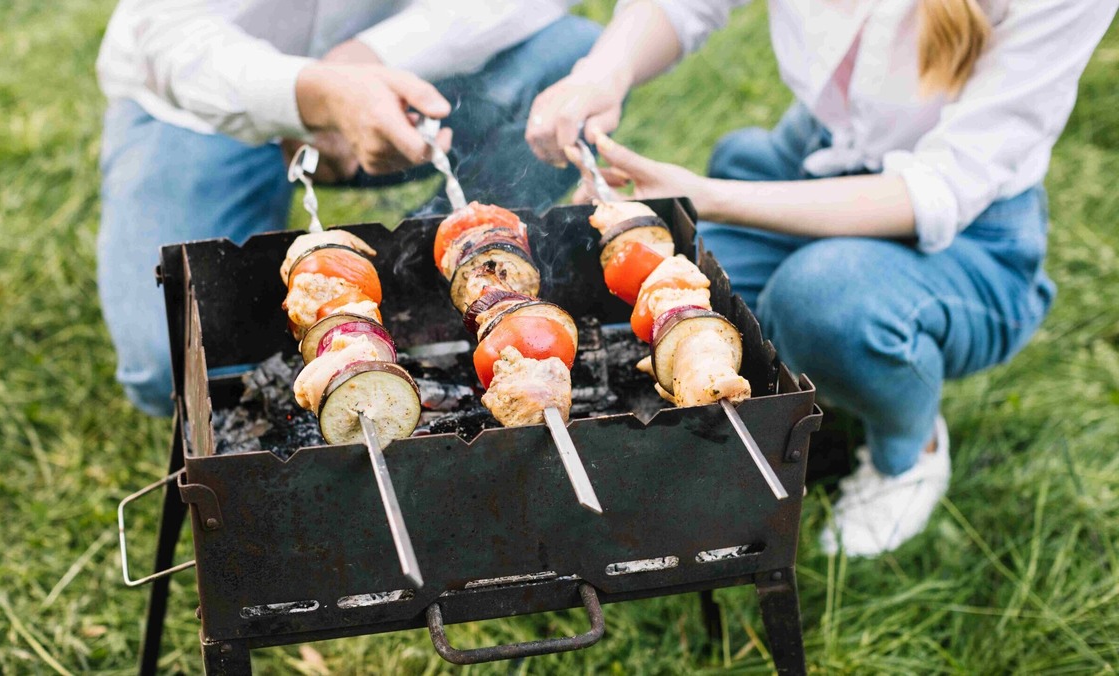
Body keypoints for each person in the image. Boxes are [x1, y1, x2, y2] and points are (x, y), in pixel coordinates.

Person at [527, 0, 1117, 557]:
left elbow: (941, 188)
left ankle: (909, 453)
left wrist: (712, 196)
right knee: (705, 297)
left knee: (821, 303)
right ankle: (822, 372)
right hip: (814, 156)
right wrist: (603, 73)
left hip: (971, 229)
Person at [96, 0, 600, 417]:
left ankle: (440, 269)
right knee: (168, 366)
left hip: (415, 76)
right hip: (202, 101)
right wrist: (309, 94)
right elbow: (162, 27)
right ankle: (353, 324)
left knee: (573, 63)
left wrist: (365, 57)